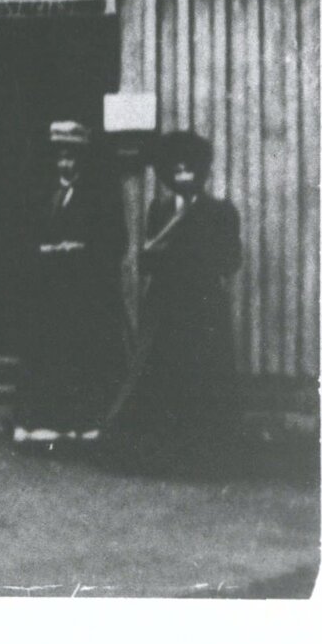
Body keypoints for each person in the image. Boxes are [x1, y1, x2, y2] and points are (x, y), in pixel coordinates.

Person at [115, 131, 243, 469]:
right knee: (162, 376)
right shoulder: (160, 210)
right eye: (176, 167)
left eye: (190, 167)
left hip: (202, 307)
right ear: (167, 172)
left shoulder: (220, 212)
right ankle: (163, 453)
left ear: (201, 172)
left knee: (201, 376)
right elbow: (147, 262)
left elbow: (231, 260)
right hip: (166, 307)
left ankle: (202, 454)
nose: (183, 174)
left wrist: (194, 257)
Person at [14, 120, 126, 445]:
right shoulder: (43, 194)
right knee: (45, 355)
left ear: (84, 159)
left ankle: (82, 423)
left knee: (81, 357)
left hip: (84, 294)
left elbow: (116, 241)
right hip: (48, 292)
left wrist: (82, 250)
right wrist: (41, 251)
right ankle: (40, 423)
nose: (67, 164)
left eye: (73, 157)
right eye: (61, 157)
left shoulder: (100, 196)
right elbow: (26, 237)